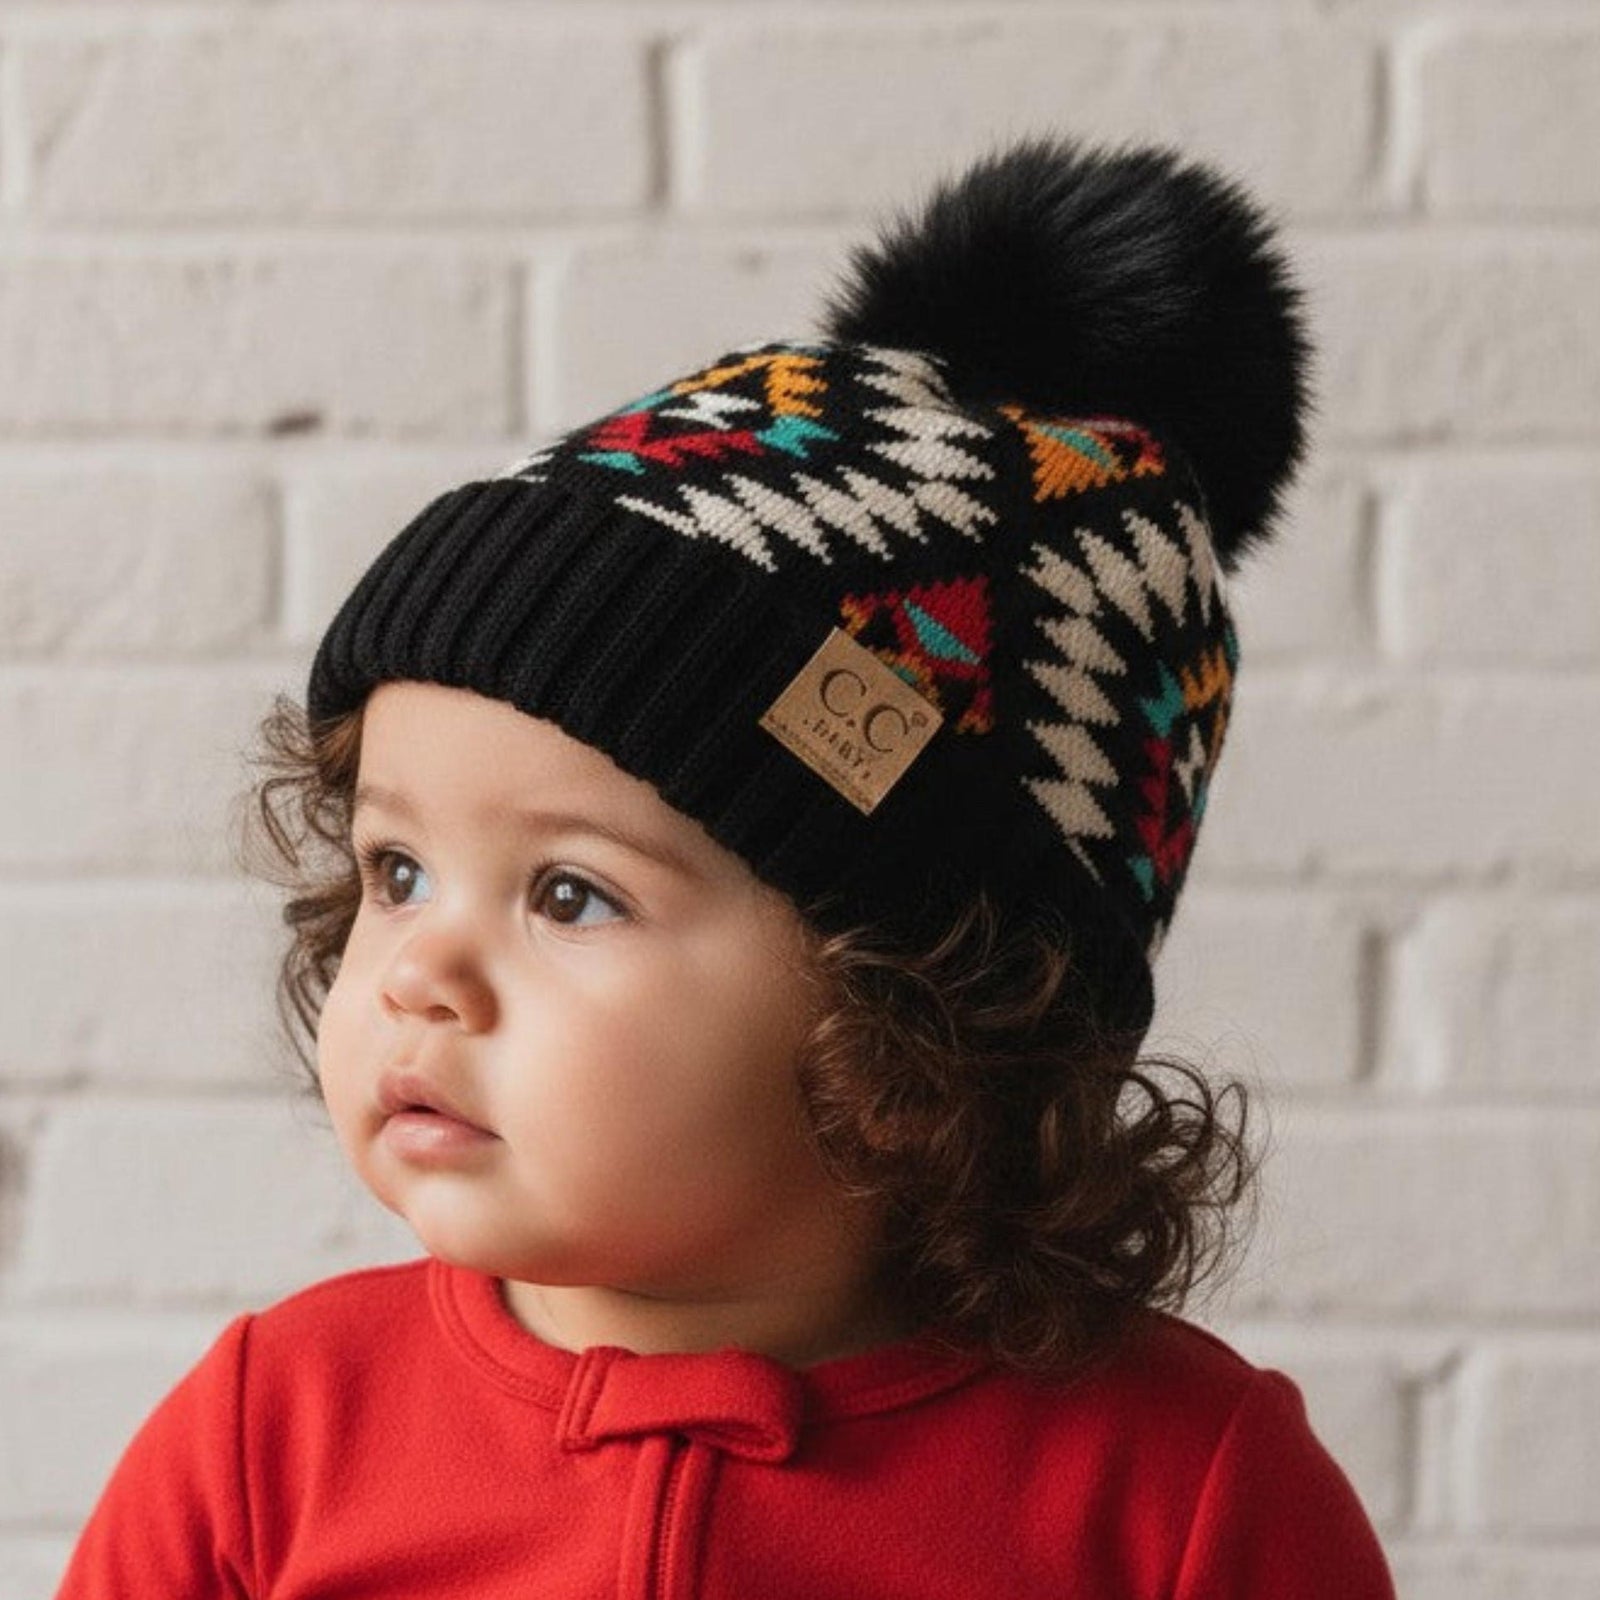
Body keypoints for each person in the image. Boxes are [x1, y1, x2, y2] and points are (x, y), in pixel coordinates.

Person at [55, 132, 1398, 1597]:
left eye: (571, 893)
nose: (419, 974)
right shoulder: (275, 1437)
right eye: (396, 871)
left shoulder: (1176, 1500)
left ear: (919, 1016)